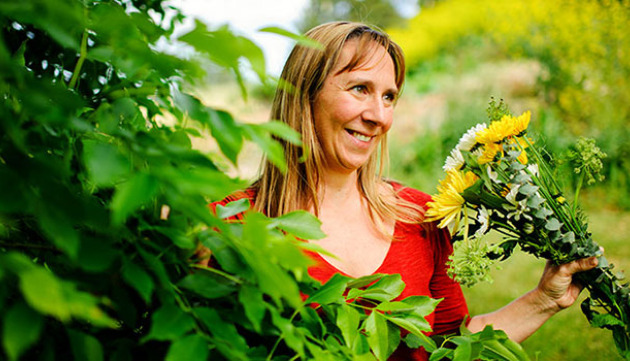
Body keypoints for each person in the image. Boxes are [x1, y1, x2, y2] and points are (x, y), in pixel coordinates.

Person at [203, 21, 599, 360]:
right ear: (305, 93)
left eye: (389, 96)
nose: (379, 116)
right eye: (359, 88)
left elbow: (451, 345)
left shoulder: (417, 215)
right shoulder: (232, 223)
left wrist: (545, 298)